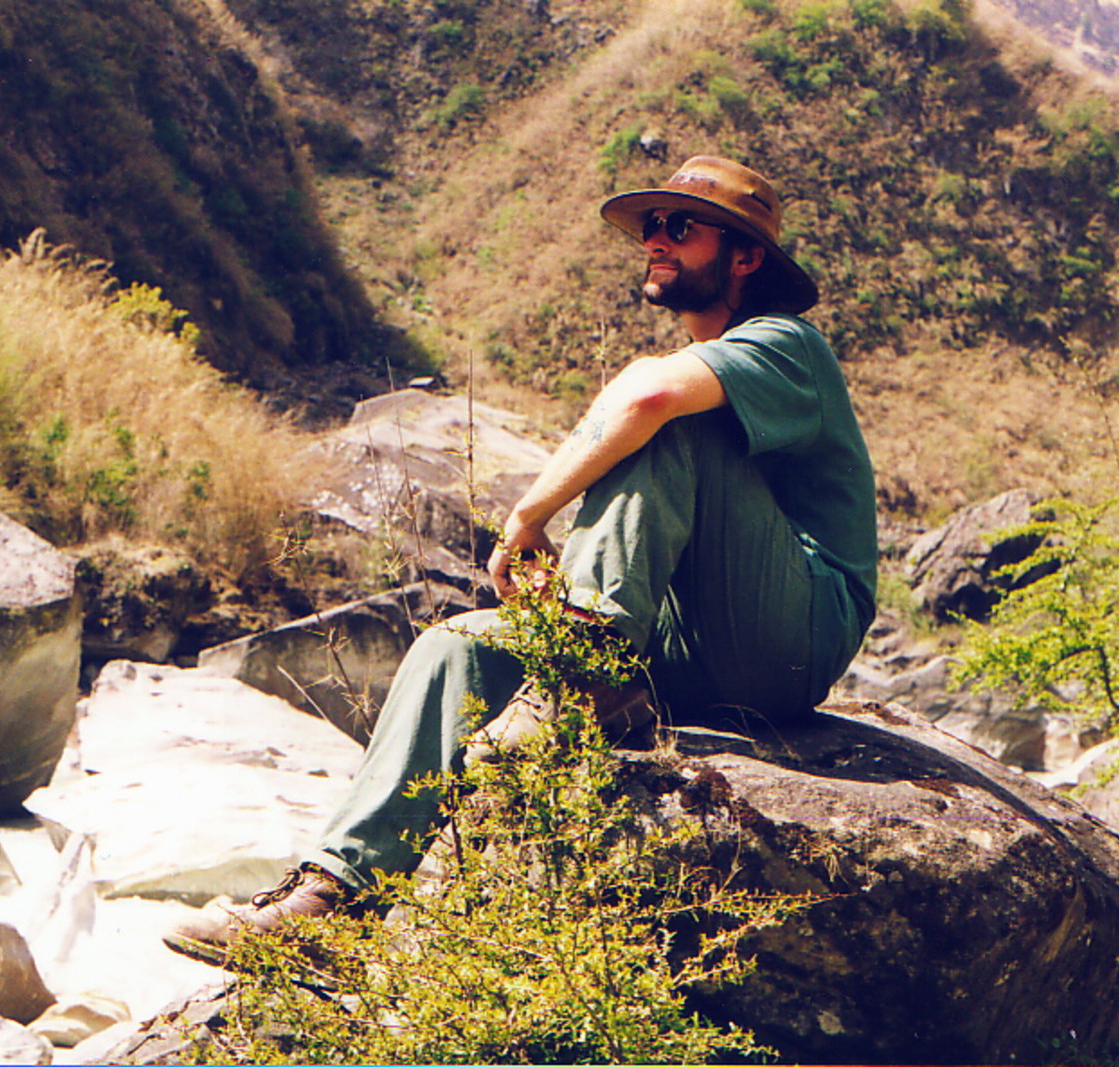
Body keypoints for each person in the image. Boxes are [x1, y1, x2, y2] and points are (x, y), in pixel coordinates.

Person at [165, 155, 878, 957]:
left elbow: (647, 400)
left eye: (679, 226)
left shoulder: (787, 344)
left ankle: (586, 650)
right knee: (452, 651)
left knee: (669, 413)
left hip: (796, 632)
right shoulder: (697, 360)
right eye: (650, 227)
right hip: (691, 649)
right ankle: (336, 897)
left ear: (745, 256)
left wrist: (530, 514)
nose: (655, 241)